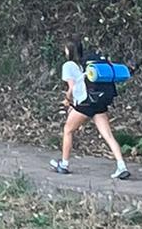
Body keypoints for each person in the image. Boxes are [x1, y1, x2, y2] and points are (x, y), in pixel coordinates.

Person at [49, 39, 128, 179]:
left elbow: (72, 88)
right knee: (108, 135)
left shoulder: (68, 65)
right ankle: (121, 166)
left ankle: (64, 164)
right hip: (98, 100)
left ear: (69, 51)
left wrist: (68, 100)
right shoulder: (86, 63)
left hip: (85, 103)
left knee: (68, 130)